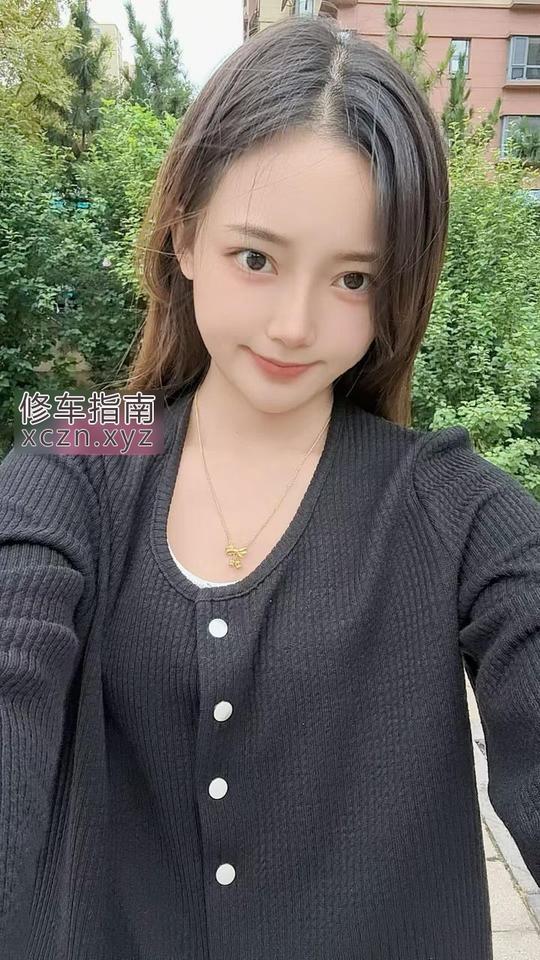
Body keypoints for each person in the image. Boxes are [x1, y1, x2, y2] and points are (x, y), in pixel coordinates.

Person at [0, 14, 539, 960]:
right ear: (184, 237)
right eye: (257, 259)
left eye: (354, 279)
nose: (295, 325)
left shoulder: (445, 500)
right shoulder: (88, 440)